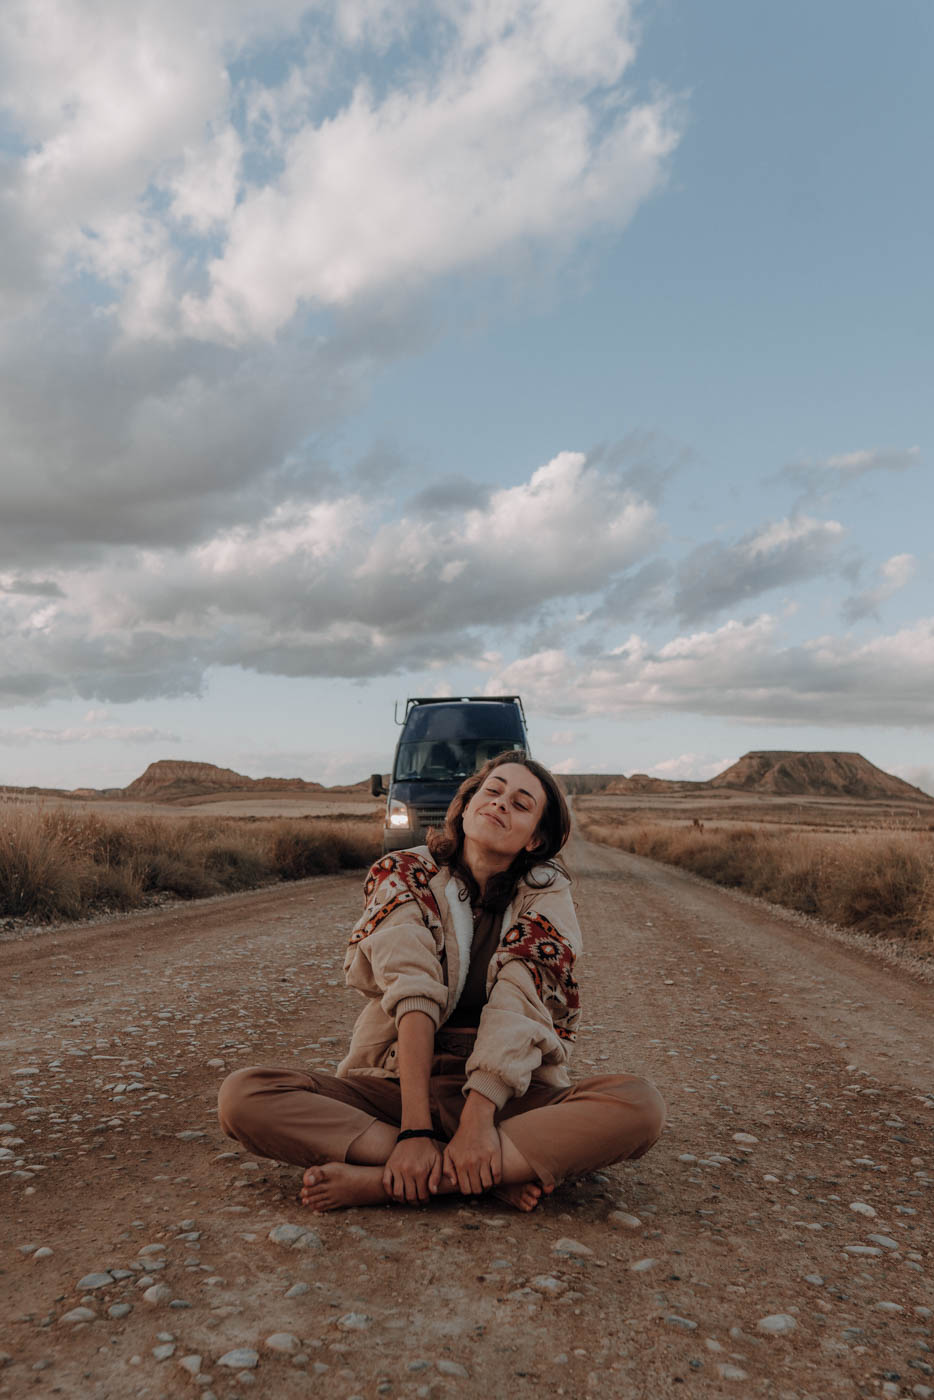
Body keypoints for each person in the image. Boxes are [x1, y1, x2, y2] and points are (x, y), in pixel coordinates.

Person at [217, 753, 666, 1213]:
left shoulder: (547, 894)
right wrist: (414, 1132)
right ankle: (486, 1171)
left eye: (520, 803)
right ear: (467, 806)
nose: (500, 803)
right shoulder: (404, 872)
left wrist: (477, 1120)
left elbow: (519, 1004)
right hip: (401, 1083)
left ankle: (393, 1181)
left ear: (535, 838)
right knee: (244, 1096)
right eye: (492, 791)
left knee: (640, 1106)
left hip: (506, 1094)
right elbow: (412, 990)